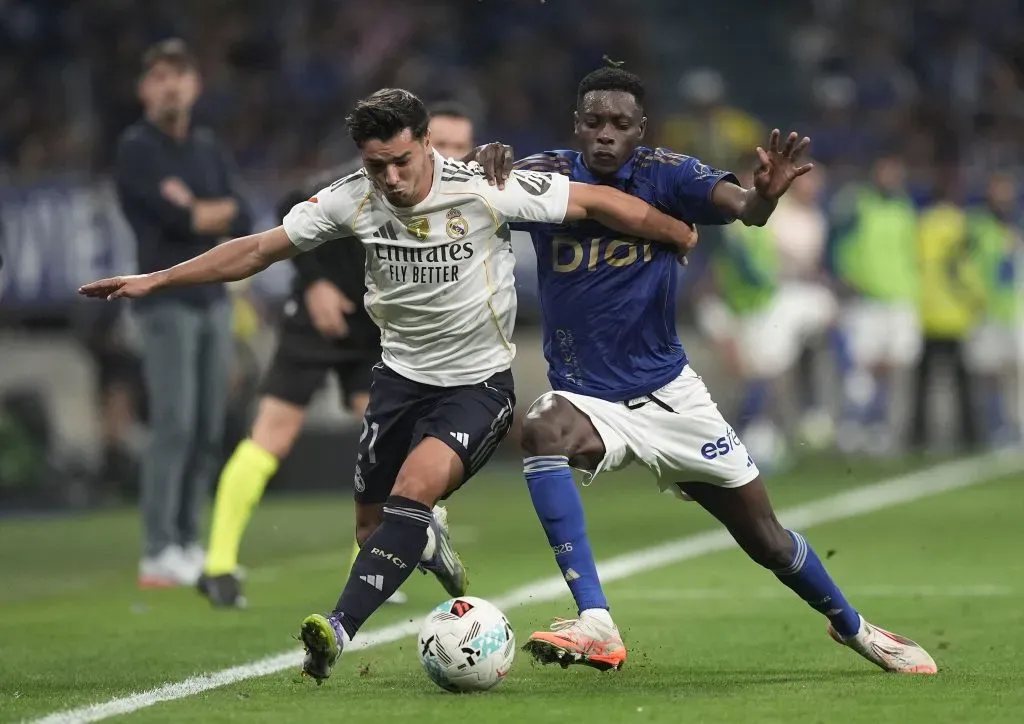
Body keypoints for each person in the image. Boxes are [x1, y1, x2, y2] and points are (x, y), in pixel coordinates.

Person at [79, 87, 700, 683]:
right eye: (378, 166)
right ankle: (424, 541)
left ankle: (337, 630)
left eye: (402, 161)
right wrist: (155, 280)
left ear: (427, 145)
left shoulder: (482, 188)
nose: (392, 179)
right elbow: (257, 251)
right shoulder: (353, 199)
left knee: (413, 490)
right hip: (398, 383)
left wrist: (675, 232)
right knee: (373, 529)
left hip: (477, 387)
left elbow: (594, 203)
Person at [471, 66, 937, 674]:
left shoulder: (669, 173)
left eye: (620, 124)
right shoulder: (548, 178)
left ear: (642, 130)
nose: (605, 135)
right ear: (575, 126)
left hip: (672, 397)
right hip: (589, 400)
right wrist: (485, 161)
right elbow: (474, 195)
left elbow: (747, 209)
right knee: (541, 428)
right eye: (594, 123)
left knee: (765, 538)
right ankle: (596, 620)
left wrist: (766, 193)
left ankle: (855, 628)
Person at [198, 102, 478, 609]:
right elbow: (290, 209)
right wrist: (315, 283)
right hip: (318, 320)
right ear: (426, 140)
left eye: (465, 147)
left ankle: (369, 571)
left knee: (399, 450)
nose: (456, 155)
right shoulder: (369, 182)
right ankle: (218, 566)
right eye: (449, 143)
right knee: (273, 434)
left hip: (375, 327)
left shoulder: (467, 198)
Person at [113, 39, 252, 588]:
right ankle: (157, 549)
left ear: (194, 85)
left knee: (208, 428)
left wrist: (198, 210)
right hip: (164, 301)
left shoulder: (206, 147)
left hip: (214, 300)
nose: (171, 84)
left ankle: (190, 543)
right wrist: (198, 213)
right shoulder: (136, 149)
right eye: (160, 75)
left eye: (180, 74)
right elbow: (171, 221)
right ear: (145, 88)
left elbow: (237, 212)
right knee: (174, 424)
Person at [828, 152, 920, 456]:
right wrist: (843, 275)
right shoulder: (857, 205)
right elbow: (837, 242)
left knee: (894, 365)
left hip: (899, 297)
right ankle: (853, 427)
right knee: (861, 366)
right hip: (865, 299)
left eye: (895, 173)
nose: (889, 178)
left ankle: (880, 427)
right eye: (885, 172)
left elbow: (909, 252)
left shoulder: (904, 208)